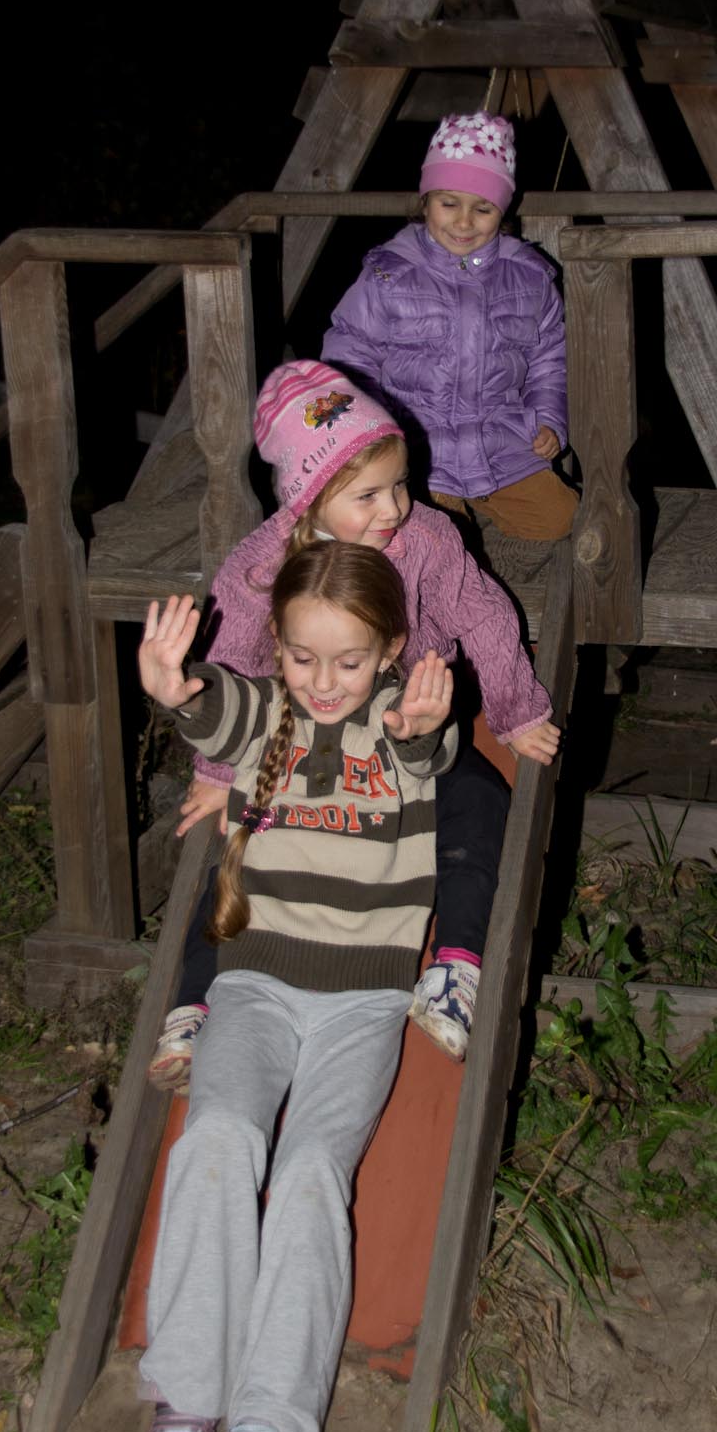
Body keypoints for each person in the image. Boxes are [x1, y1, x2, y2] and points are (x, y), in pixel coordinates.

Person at [132, 542, 455, 1432]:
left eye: (348, 660)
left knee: (313, 1169)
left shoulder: (399, 722)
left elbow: (421, 745)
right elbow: (212, 707)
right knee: (217, 1135)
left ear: (388, 650)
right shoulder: (267, 711)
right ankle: (190, 1393)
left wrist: (418, 721)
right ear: (275, 643)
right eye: (303, 656)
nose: (323, 681)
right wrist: (172, 689)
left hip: (362, 1003)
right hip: (253, 984)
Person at [151, 359, 560, 1085]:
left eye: (400, 484)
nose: (393, 507)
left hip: (411, 725)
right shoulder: (262, 565)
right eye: (367, 494)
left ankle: (455, 966)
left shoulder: (427, 539)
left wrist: (515, 707)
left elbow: (483, 613)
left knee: (478, 799)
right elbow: (231, 660)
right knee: (243, 835)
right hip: (300, 729)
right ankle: (194, 1003)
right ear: (308, 496)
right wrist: (218, 768)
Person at [323, 109, 578, 544]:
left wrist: (549, 419)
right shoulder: (389, 274)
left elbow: (550, 361)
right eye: (449, 204)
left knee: (561, 520)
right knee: (438, 539)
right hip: (419, 451)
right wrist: (366, 431)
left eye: (483, 208)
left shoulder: (529, 278)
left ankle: (478, 500)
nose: (463, 222)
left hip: (503, 444)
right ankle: (446, 515)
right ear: (425, 202)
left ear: (502, 209)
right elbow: (350, 353)